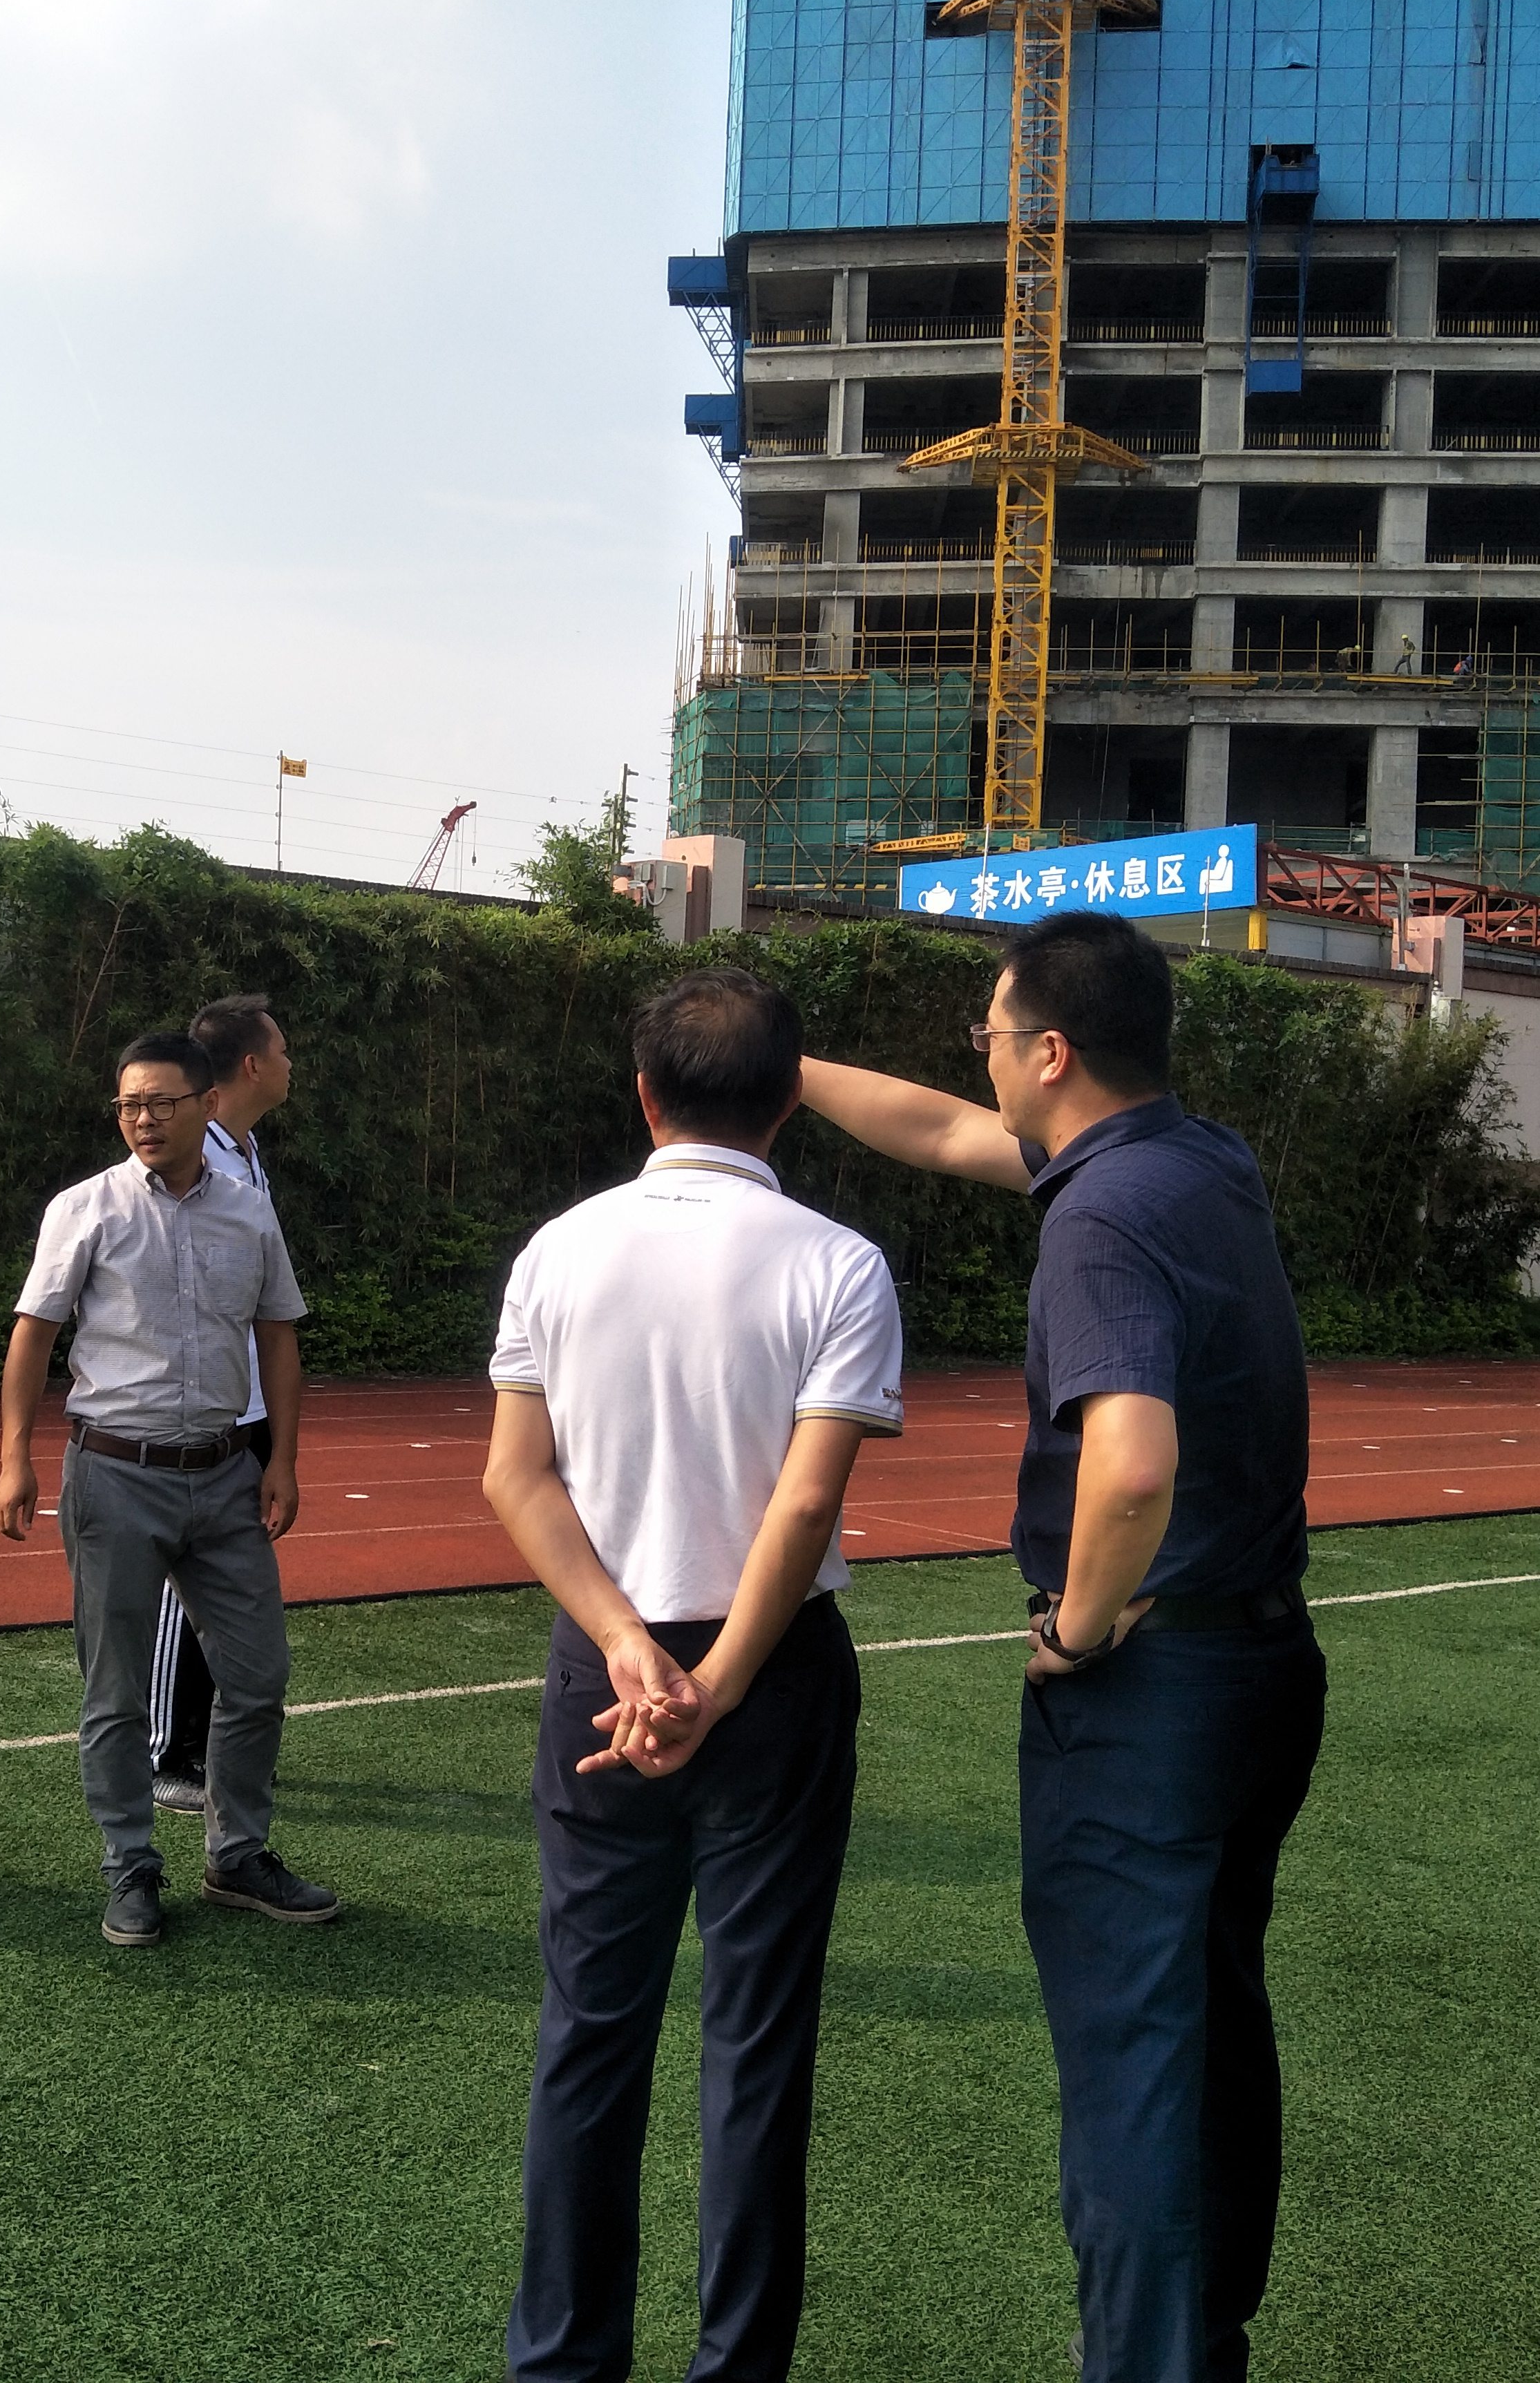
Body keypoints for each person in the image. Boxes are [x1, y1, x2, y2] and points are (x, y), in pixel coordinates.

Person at [801, 911, 1326, 2383]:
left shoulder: (1098, 1221)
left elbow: (1132, 1463)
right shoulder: (1196, 1160)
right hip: (1262, 1670)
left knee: (1130, 2061)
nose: (976, 1057)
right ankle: (1203, 2342)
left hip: (1152, 1694)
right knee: (1205, 2020)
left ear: (1049, 1051)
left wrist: (1080, 1628)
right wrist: (789, 1069)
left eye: (987, 1032)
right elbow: (941, 1132)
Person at [480, 968, 906, 2383]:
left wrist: (623, 1644)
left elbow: (515, 1476)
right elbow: (804, 1501)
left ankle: (562, 2363)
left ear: (644, 1096)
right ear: (789, 1100)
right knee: (756, 2042)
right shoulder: (838, 1263)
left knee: (589, 2032)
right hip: (771, 1683)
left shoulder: (556, 1250)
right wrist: (714, 1682)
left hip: (600, 1678)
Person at [0, 1030, 339, 1948]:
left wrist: (284, 1460)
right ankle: (131, 1868)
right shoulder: (86, 1209)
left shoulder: (249, 1214)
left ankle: (238, 1855)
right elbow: (34, 1333)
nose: (143, 1119)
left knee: (258, 1675)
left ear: (206, 1105)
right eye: (129, 1105)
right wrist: (14, 1458)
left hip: (225, 1475)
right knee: (116, 1693)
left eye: (161, 1103)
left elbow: (278, 1336)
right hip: (115, 1474)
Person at [146, 992, 298, 1818]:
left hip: (247, 1403)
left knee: (233, 1580)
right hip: (200, 1408)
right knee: (188, 1584)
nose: (289, 1063)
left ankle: (219, 1740)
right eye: (281, 1050)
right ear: (249, 1065)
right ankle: (167, 1750)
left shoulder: (242, 1149)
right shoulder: (188, 1157)